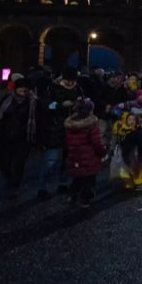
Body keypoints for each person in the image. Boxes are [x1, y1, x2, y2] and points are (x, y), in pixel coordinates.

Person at [38, 66, 84, 199]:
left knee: (69, 159)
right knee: (50, 160)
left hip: (73, 128)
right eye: (68, 80)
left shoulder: (78, 89)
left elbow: (84, 105)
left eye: (73, 81)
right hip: (54, 128)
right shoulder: (52, 88)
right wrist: (59, 105)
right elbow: (45, 105)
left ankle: (63, 183)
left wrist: (79, 106)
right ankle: (42, 187)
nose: (70, 83)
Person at [0, 78, 37, 199]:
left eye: (26, 88)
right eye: (21, 87)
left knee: (19, 163)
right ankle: (9, 178)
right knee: (4, 162)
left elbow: (39, 118)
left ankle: (14, 186)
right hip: (5, 136)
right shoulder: (7, 99)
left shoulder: (33, 101)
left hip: (24, 137)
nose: (23, 90)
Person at [64, 98, 106, 208]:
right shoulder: (91, 125)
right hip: (89, 156)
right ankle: (84, 199)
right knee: (89, 179)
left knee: (77, 177)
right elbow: (96, 142)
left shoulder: (70, 124)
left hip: (75, 156)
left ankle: (72, 195)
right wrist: (102, 152)